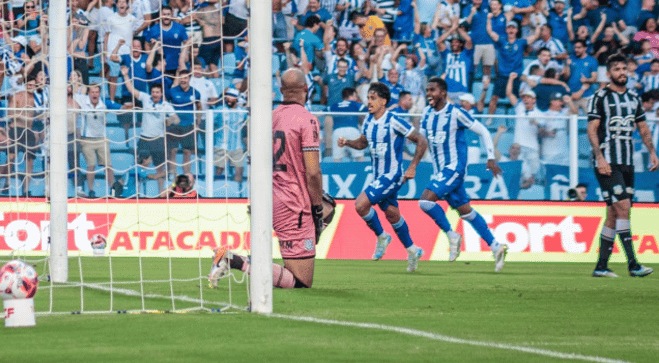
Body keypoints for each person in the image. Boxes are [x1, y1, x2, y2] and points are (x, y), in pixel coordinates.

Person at [208, 68, 331, 289]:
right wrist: (316, 210)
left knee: (330, 208)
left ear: (281, 90)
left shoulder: (268, 118)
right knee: (301, 281)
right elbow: (313, 172)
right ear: (306, 88)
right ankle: (232, 259)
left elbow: (257, 160)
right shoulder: (307, 120)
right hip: (294, 202)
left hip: (268, 197)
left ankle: (238, 259)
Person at [418, 77, 509, 271]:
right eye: (427, 90)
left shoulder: (456, 113)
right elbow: (421, 141)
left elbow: (483, 131)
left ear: (443, 93)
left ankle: (452, 235)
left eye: (433, 90)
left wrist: (490, 157)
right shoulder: (426, 113)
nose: (429, 94)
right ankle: (496, 246)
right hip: (440, 170)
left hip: (454, 168)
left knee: (425, 201)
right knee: (465, 211)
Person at [338, 81, 428, 272]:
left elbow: (421, 140)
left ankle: (382, 236)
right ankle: (413, 250)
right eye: (368, 98)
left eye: (373, 98)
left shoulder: (394, 121)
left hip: (392, 175)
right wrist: (347, 142)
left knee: (360, 204)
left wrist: (412, 166)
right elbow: (362, 144)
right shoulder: (368, 121)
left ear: (384, 101)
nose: (369, 102)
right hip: (378, 176)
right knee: (392, 214)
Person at [587, 53, 659, 278]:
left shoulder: (634, 98)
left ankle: (601, 267)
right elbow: (592, 129)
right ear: (609, 73)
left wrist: (652, 152)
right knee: (623, 207)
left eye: (624, 69)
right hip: (607, 161)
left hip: (627, 162)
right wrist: (599, 157)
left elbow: (643, 128)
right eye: (617, 69)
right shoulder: (599, 97)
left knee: (613, 212)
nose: (621, 73)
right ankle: (633, 264)